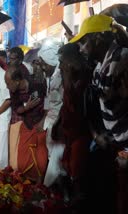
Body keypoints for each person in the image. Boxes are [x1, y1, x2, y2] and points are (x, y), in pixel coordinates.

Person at [69, 14, 128, 214]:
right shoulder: (97, 68)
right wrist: (100, 135)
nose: (81, 48)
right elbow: (99, 104)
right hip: (115, 144)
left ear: (98, 39)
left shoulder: (123, 58)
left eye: (84, 42)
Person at [55, 43, 92, 209]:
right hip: (70, 131)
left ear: (71, 60)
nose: (60, 66)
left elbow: (76, 107)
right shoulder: (70, 75)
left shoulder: (84, 77)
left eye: (62, 61)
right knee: (69, 170)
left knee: (77, 174)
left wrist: (68, 78)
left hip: (82, 132)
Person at [5, 64, 47, 182]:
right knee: (22, 161)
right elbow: (17, 109)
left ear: (17, 81)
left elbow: (49, 107)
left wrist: (43, 122)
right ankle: (27, 186)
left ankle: (41, 188)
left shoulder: (37, 85)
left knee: (41, 160)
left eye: (8, 83)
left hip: (41, 125)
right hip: (27, 124)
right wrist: (26, 107)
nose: (7, 86)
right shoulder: (14, 92)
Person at [36, 38, 65, 187]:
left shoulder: (63, 75)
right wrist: (43, 121)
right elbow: (48, 101)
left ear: (51, 61)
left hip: (60, 125)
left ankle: (48, 191)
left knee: (56, 161)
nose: (41, 66)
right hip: (50, 123)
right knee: (51, 157)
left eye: (43, 63)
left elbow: (66, 104)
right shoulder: (49, 77)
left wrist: (58, 125)